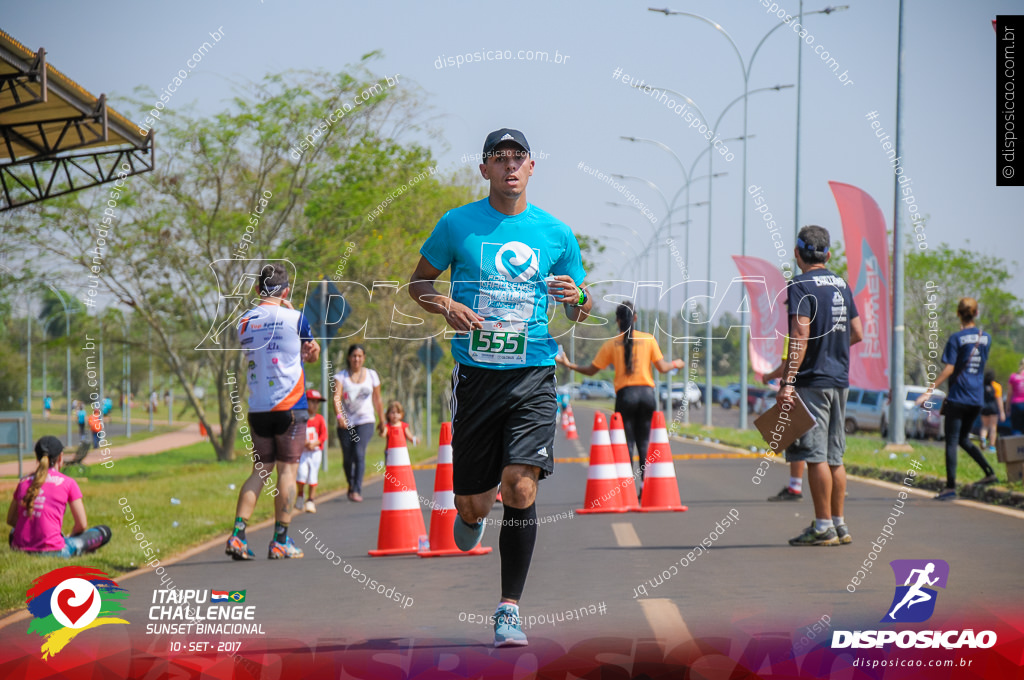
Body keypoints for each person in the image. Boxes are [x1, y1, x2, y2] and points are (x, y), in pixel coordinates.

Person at [409, 128, 591, 647]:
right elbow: (419, 283)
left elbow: (580, 305)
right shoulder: (457, 224)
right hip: (476, 378)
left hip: (533, 373)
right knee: (473, 508)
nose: (510, 166)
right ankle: (470, 515)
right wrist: (447, 305)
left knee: (520, 485)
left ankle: (508, 608)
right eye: (499, 157)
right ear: (484, 168)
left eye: (519, 158)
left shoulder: (556, 233)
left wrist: (577, 296)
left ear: (532, 168)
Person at [764, 225, 863, 546]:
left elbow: (800, 336)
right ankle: (839, 524)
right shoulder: (842, 284)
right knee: (835, 456)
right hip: (840, 380)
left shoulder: (800, 285)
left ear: (797, 255)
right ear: (828, 255)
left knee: (814, 455)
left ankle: (822, 527)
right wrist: (832, 350)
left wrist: (788, 380)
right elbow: (858, 333)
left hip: (813, 382)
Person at [225, 263, 320, 560]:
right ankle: (280, 540)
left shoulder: (242, 321)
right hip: (290, 406)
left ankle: (238, 534)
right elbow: (311, 351)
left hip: (258, 407)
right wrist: (310, 349)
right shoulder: (296, 317)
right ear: (287, 290)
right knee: (287, 470)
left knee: (260, 470)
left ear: (256, 290)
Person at [556, 301, 682, 495]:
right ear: (636, 318)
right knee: (645, 442)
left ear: (617, 321)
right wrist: (676, 363)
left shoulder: (612, 344)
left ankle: (627, 489)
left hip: (626, 396)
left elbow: (590, 370)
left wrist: (569, 365)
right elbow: (663, 368)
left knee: (626, 443)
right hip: (647, 395)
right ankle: (645, 487)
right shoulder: (648, 339)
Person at [916, 298, 997, 499]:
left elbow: (950, 369)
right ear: (976, 313)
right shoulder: (985, 337)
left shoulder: (956, 338)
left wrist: (929, 390)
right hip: (976, 398)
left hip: (958, 396)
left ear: (958, 314)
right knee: (963, 439)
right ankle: (990, 472)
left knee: (952, 440)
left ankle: (950, 487)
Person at [7, 436, 112, 556]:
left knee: (13, 532)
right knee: (103, 532)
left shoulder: (24, 482)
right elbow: (82, 525)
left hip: (21, 547)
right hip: (53, 550)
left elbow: (11, 520)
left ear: (37, 457)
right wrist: (69, 536)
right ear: (60, 457)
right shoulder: (67, 483)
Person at [332, 344, 384, 502]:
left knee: (359, 452)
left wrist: (382, 421)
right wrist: (340, 417)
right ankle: (350, 483)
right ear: (349, 357)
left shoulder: (372, 375)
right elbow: (336, 398)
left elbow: (377, 399)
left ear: (364, 358)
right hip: (346, 423)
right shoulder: (341, 376)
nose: (357, 359)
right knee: (347, 457)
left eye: (360, 356)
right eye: (354, 356)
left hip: (365, 420)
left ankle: (357, 489)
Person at [295, 389, 328, 514]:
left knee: (313, 475)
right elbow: (297, 433)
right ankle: (300, 494)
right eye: (312, 402)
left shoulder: (319, 419)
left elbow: (323, 435)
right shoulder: (301, 418)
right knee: (302, 473)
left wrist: (315, 443)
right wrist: (302, 443)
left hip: (315, 452)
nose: (315, 405)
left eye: (317, 402)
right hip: (303, 451)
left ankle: (311, 500)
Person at [980, 370, 1005, 452]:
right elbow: (999, 399)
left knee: (984, 426)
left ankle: (983, 438)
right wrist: (1002, 411)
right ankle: (991, 446)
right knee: (993, 427)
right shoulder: (996, 386)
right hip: (993, 408)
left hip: (984, 407)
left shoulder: (982, 385)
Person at [1008, 358, 1024, 434]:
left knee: (1016, 428)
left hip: (1016, 404)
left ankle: (1017, 445)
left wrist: (1007, 407)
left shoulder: (1013, 376)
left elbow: (1009, 393)